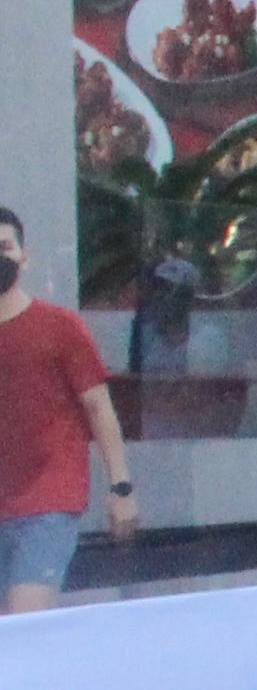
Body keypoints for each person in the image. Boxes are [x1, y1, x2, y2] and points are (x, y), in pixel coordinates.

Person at [0, 206, 134, 614]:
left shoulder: (60, 327)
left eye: (4, 247)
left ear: (25, 257)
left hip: (48, 502)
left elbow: (98, 408)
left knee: (23, 629)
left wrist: (121, 487)